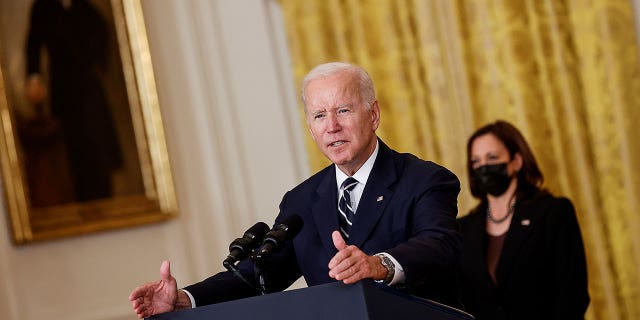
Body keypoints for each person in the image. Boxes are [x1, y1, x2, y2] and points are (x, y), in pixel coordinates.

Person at [129, 62, 462, 318]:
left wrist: (380, 265)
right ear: (310, 127)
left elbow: (440, 244)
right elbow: (259, 274)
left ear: (373, 114)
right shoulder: (302, 200)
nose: (331, 126)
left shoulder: (424, 180)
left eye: (343, 110)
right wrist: (183, 300)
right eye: (319, 115)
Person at [456, 120, 590, 319]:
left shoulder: (553, 212)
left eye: (492, 157)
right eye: (476, 162)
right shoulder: (463, 228)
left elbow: (573, 294)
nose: (483, 167)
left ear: (516, 161)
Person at [24, 0, 122, 202]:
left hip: (89, 88)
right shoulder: (43, 7)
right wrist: (34, 78)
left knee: (98, 147)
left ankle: (105, 197)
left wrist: (97, 65)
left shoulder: (83, 6)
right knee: (74, 153)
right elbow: (33, 43)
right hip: (64, 90)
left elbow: (102, 30)